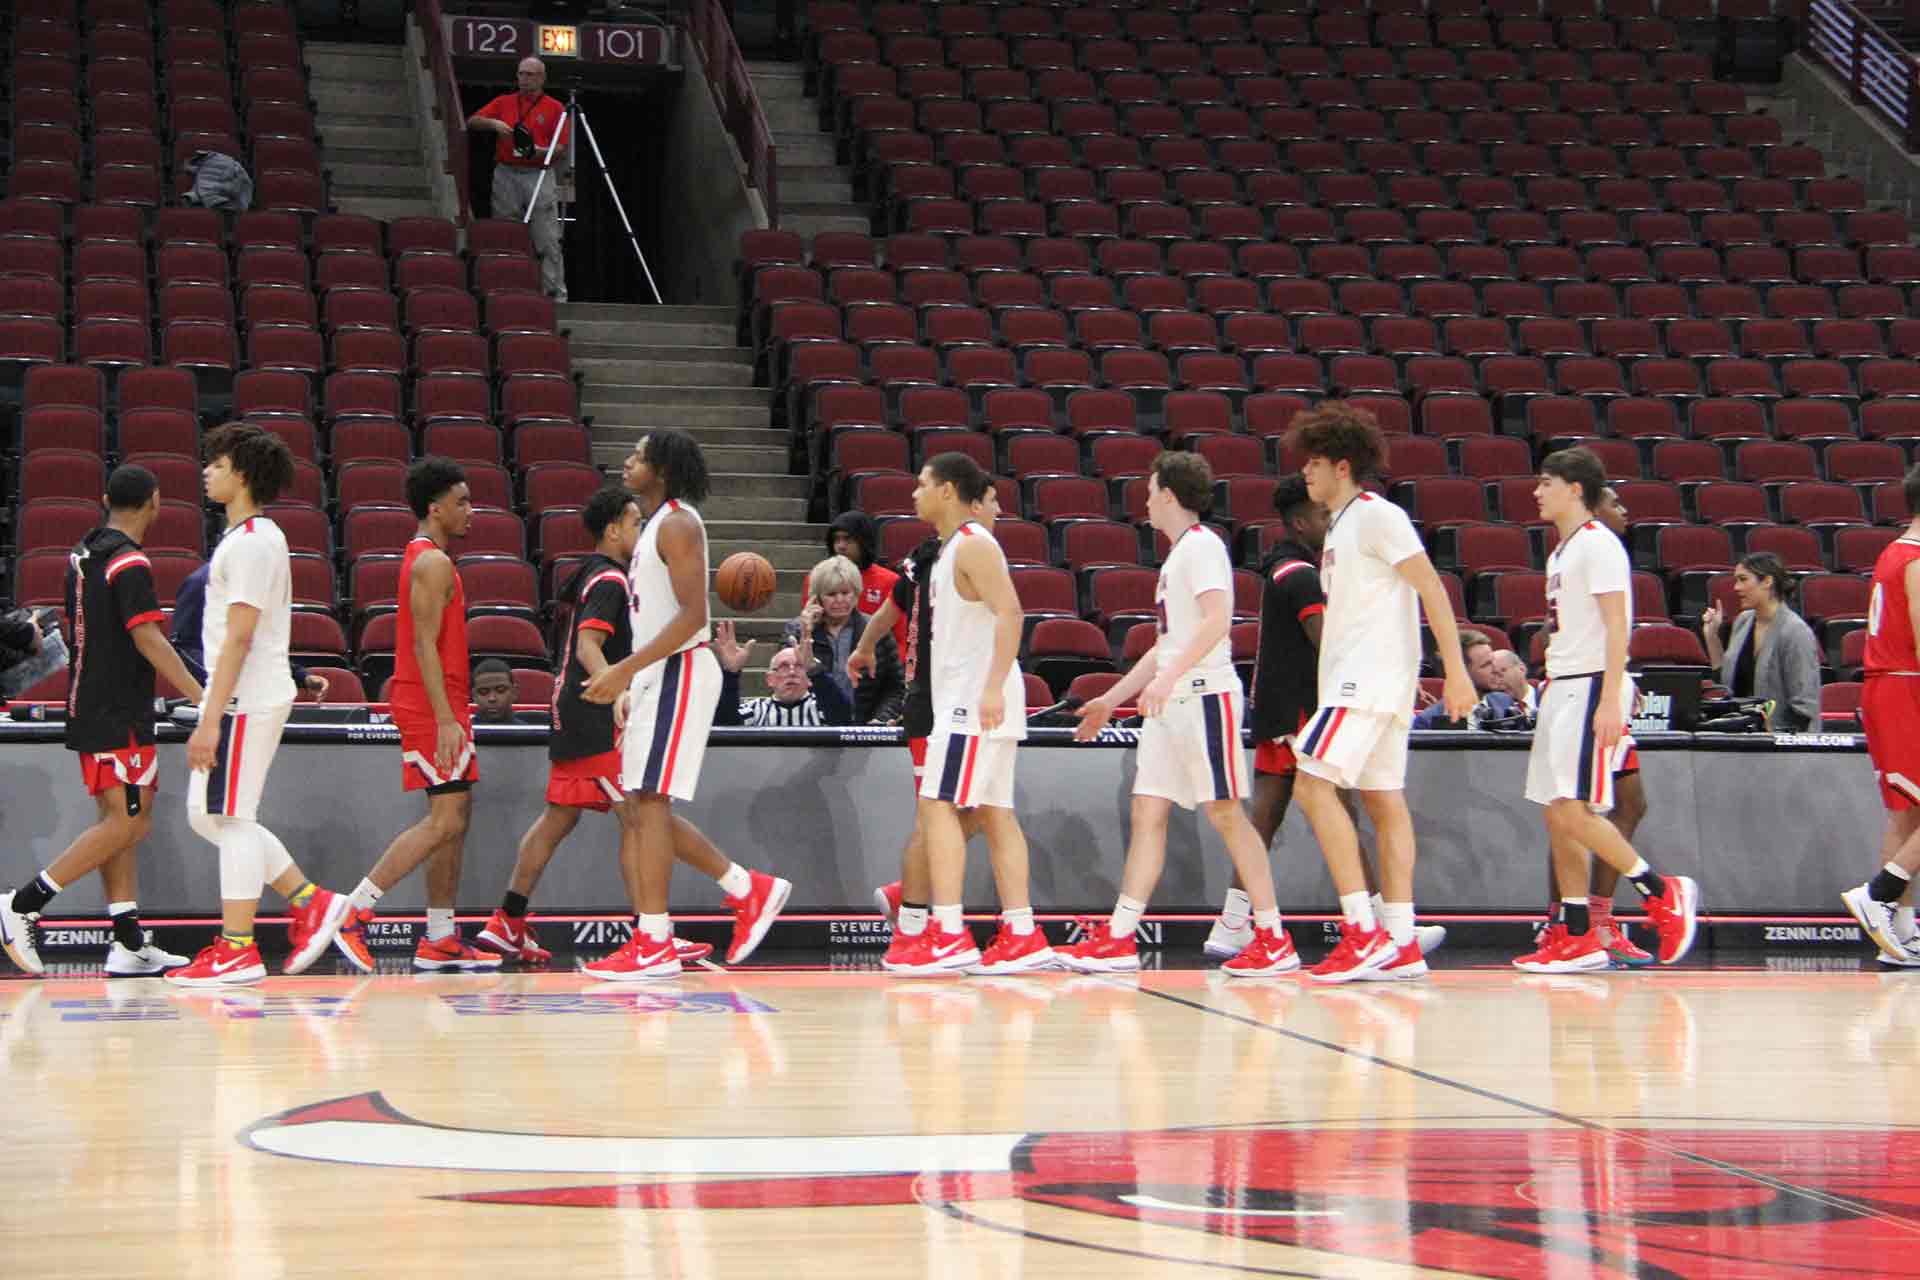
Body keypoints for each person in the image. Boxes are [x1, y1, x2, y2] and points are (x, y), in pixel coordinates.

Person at [476, 486, 762, 968]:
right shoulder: (610, 579)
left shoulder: (589, 574)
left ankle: (507, 920)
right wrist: (617, 687)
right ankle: (663, 929)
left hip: (570, 706)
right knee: (643, 815)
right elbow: (590, 644)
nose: (641, 530)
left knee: (559, 818)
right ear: (612, 529)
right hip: (595, 707)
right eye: (633, 523)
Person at [1060, 452, 1297, 976]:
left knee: (1226, 815)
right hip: (1173, 702)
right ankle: (1121, 936)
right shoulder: (1178, 557)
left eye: (1149, 492)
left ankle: (1274, 937)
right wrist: (1112, 698)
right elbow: (1165, 646)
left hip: (1204, 697)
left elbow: (1219, 621)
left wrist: (1168, 680)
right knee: (1148, 811)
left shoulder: (1204, 547)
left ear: (1169, 495)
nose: (1144, 501)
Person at [1205, 476, 1449, 965]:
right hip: (1302, 703)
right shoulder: (1297, 572)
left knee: (1277, 813)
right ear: (1301, 521)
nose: (1328, 521)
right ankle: (1371, 926)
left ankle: (1236, 923)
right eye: (1319, 516)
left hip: (1283, 702)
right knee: (1326, 802)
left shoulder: (1291, 561)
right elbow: (1325, 637)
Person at [581, 432, 790, 978]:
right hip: (657, 674)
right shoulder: (655, 527)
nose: (628, 461)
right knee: (645, 805)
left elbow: (694, 616)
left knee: (648, 804)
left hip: (680, 669)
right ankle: (745, 890)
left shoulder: (678, 523)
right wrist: (633, 681)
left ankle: (655, 938)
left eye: (638, 455)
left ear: (662, 469)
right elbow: (654, 616)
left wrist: (626, 669)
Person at [1286, 403, 1477, 983]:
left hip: (1364, 681)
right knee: (1384, 803)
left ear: (1343, 466)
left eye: (1314, 463)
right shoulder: (1341, 524)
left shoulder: (1376, 515)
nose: (1305, 475)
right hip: (1376, 680)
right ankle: (1399, 937)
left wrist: (1458, 671)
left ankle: (1361, 930)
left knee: (1312, 786)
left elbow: (1431, 588)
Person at [167, 424, 359, 986]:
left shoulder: (251, 542)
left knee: (231, 819)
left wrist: (209, 716)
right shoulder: (255, 535)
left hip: (245, 698)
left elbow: (240, 636)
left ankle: (238, 946)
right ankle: (313, 901)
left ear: (242, 474)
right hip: (252, 692)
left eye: (217, 463)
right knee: (210, 816)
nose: (207, 471)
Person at [0, 466, 205, 978]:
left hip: (89, 702)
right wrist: (202, 694)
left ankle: (128, 941)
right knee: (130, 821)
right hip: (119, 710)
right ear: (156, 502)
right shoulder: (131, 562)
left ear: (105, 498)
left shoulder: (84, 552)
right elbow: (149, 638)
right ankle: (23, 903)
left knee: (118, 825)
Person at [1512, 447, 1701, 973]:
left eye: (1546, 482)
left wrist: (1612, 696)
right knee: (1557, 812)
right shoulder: (1560, 552)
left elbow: (1620, 626)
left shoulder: (1599, 545)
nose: (1536, 491)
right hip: (1561, 684)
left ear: (1575, 489)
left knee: (1574, 808)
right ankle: (1575, 933)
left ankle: (1661, 892)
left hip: (1592, 684)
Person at [867, 452, 1047, 976]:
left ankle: (947, 931)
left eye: (922, 484)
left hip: (974, 698)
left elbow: (1012, 612)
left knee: (937, 806)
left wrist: (991, 687)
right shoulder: (949, 551)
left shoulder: (972, 544)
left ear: (947, 490)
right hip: (971, 696)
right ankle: (1020, 932)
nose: (914, 493)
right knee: (993, 812)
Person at [334, 458, 501, 974]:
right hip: (433, 706)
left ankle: (440, 936)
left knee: (457, 819)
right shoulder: (431, 563)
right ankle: (352, 912)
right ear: (435, 507)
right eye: (462, 501)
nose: (470, 510)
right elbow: (424, 645)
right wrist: (448, 717)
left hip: (443, 703)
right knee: (445, 819)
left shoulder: (431, 559)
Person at [1843, 462, 1920, 963]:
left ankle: (1901, 933)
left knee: (1905, 814)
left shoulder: (1893, 552)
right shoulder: (1916, 558)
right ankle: (1878, 895)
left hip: (1885, 686)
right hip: (1904, 688)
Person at [467, 57, 569, 302]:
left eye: (530, 74)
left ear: (542, 78)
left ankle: (554, 294)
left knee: (546, 238)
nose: (524, 79)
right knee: (505, 233)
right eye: (521, 74)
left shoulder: (555, 108)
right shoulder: (504, 102)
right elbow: (472, 121)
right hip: (506, 172)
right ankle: (506, 291)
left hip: (539, 172)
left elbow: (561, 148)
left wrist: (537, 151)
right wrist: (494, 124)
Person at [171, 561, 328, 702]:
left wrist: (302, 677)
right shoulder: (201, 584)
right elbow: (185, 648)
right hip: (211, 696)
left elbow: (259, 646)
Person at [1701, 552, 1822, 733]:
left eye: (1743, 579)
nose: (1736, 587)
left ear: (1767, 582)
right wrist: (1711, 637)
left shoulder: (1795, 631)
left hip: (1780, 746)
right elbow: (1725, 684)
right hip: (1742, 740)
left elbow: (1804, 706)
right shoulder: (1743, 621)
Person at [787, 554, 906, 726]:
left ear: (856, 594)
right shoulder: (796, 631)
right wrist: (806, 634)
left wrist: (881, 719)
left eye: (845, 593)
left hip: (866, 730)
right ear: (817, 598)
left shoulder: (875, 631)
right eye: (831, 594)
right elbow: (786, 681)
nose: (840, 600)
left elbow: (895, 688)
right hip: (811, 727)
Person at [713, 629, 852, 727]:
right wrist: (730, 675)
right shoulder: (755, 709)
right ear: (770, 679)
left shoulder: (822, 707)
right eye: (783, 666)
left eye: (799, 666)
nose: (792, 672)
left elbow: (844, 719)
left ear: (809, 678)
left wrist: (815, 669)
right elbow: (724, 724)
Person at [827, 510, 907, 654]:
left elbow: (902, 639)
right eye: (836, 540)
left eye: (847, 539)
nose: (841, 546)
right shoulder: (818, 579)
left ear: (863, 542)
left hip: (876, 667)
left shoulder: (890, 581)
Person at [1411, 629, 1498, 729]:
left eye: (1493, 661)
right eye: (1486, 665)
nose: (1496, 669)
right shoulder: (1428, 721)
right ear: (1461, 672)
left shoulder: (1504, 701)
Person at [1473, 650, 1538, 726]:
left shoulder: (1547, 695)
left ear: (1521, 669)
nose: (1497, 681)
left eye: (1501, 672)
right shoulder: (1487, 705)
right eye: (1492, 675)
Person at [471, 658, 518, 724]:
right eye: (483, 692)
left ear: (514, 692)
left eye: (501, 690)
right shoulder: (460, 733)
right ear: (474, 696)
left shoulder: (530, 733)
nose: (492, 698)